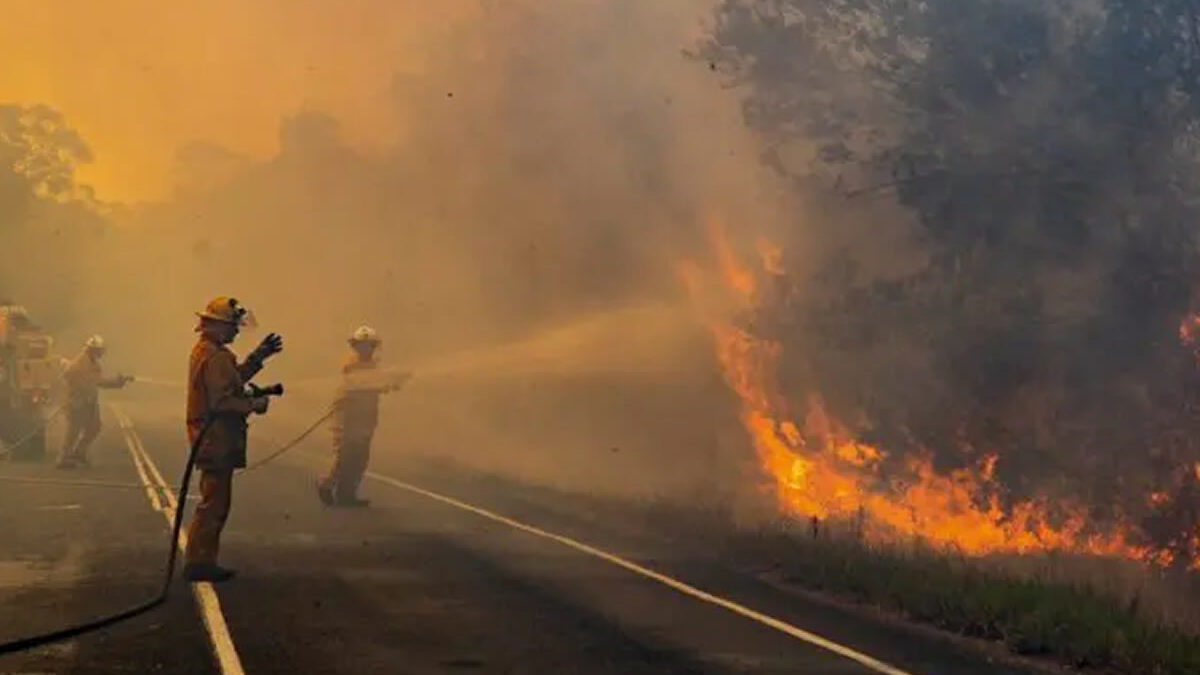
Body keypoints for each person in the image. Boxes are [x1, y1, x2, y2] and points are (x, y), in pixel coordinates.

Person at [184, 296, 282, 583]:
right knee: (214, 503)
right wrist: (255, 405)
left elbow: (233, 380)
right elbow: (222, 401)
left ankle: (202, 559)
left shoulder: (209, 352)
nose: (236, 332)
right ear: (218, 326)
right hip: (215, 438)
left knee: (214, 500)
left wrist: (257, 358)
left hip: (212, 437)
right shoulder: (216, 356)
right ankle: (199, 562)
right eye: (232, 327)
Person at [317, 325, 409, 507]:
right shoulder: (350, 365)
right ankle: (326, 484)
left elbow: (375, 386)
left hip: (365, 418)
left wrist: (391, 384)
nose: (367, 349)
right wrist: (385, 383)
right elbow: (362, 384)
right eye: (363, 345)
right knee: (344, 455)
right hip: (347, 417)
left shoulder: (373, 366)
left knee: (360, 458)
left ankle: (347, 494)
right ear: (355, 346)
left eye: (370, 345)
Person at [56, 335, 132, 469]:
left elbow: (98, 381)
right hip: (77, 402)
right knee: (73, 431)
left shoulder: (92, 363)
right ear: (92, 350)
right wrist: (117, 382)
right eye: (99, 350)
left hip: (89, 401)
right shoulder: (82, 363)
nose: (101, 353)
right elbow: (71, 376)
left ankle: (79, 453)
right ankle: (63, 458)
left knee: (94, 427)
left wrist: (119, 381)